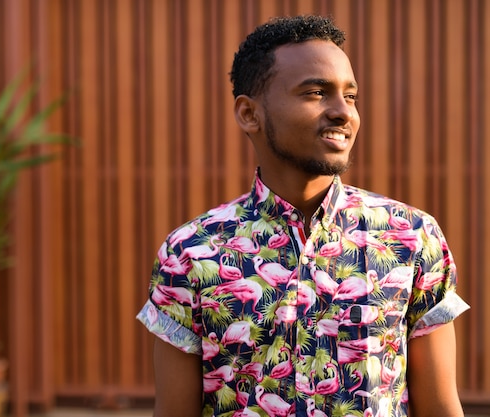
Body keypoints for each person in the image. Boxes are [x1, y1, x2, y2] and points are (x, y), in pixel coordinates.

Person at [137, 15, 469, 417]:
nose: (343, 113)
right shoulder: (191, 253)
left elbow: (439, 407)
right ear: (248, 114)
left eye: (351, 96)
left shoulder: (411, 237)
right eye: (316, 92)